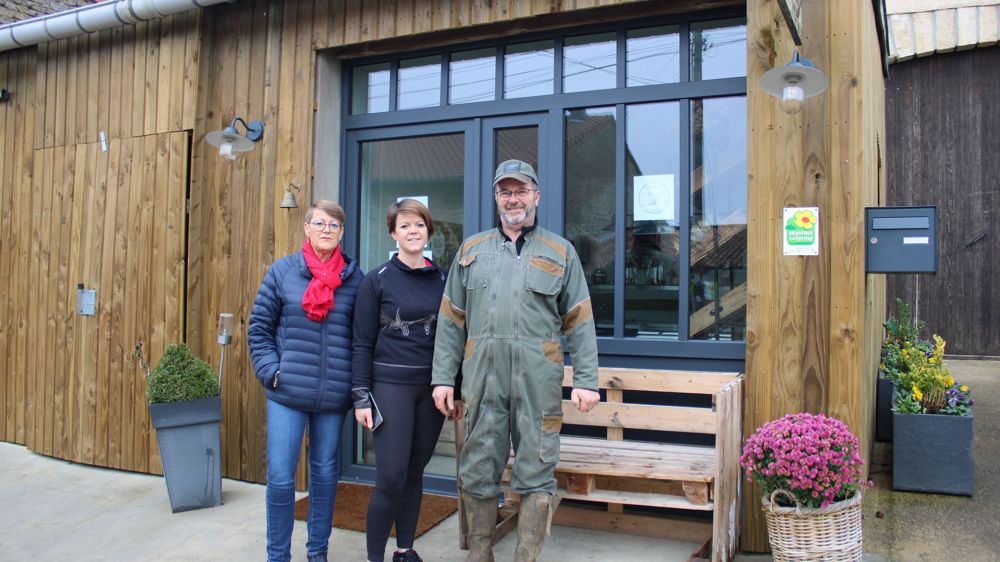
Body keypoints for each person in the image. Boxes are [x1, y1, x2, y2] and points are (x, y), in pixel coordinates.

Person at [430, 160, 601, 562]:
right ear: (496, 199)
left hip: (537, 382)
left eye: (521, 190)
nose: (513, 198)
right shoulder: (471, 251)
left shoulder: (560, 252)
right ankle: (480, 553)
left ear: (536, 196)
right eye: (505, 191)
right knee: (477, 468)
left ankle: (526, 556)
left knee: (537, 470)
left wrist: (587, 380)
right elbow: (451, 320)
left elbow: (579, 318)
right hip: (481, 382)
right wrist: (443, 379)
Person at [248, 200, 363, 562]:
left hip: (332, 397)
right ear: (307, 228)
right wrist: (272, 372)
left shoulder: (355, 280)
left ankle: (318, 553)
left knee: (326, 475)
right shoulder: (283, 272)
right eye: (319, 223)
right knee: (281, 478)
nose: (326, 230)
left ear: (342, 233)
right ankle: (278, 556)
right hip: (287, 393)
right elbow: (259, 330)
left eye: (333, 225)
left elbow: (362, 339)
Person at [351, 199, 456, 562]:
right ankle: (374, 556)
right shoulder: (376, 280)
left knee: (414, 471)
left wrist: (453, 386)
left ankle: (405, 549)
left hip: (431, 389)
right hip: (390, 386)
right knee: (392, 476)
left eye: (420, 225)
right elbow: (362, 342)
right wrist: (361, 397)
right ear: (393, 234)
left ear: (428, 232)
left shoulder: (444, 279)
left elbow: (454, 337)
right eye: (405, 226)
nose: (413, 231)